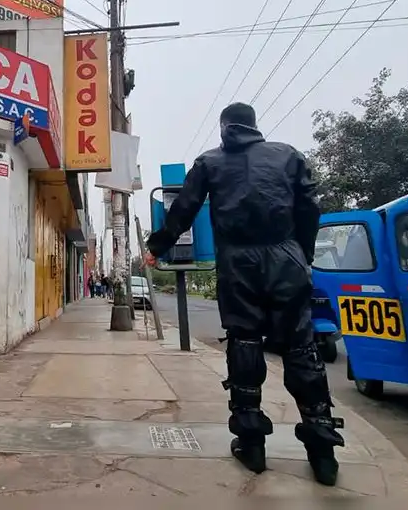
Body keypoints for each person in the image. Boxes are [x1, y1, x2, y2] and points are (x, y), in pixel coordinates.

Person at [144, 102, 344, 486]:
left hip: (238, 263)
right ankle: (323, 453)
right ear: (254, 126)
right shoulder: (288, 155)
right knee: (301, 348)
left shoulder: (210, 162)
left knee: (245, 344)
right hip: (286, 256)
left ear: (224, 128)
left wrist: (157, 247)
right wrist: (300, 252)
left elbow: (183, 210)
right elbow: (310, 208)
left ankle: (252, 446)